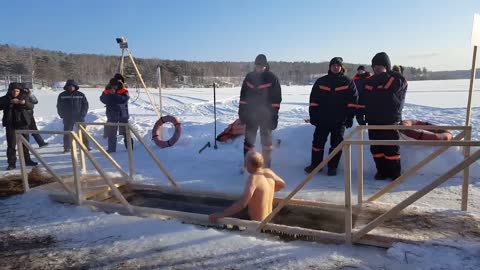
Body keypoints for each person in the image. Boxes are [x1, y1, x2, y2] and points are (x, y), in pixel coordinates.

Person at [356, 52, 408, 180]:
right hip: (373, 120)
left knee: (391, 148)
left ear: (387, 66)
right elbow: (363, 99)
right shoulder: (369, 81)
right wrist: (359, 114)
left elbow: (387, 95)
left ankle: (395, 173)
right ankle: (382, 171)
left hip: (389, 120)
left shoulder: (396, 79)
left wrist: (392, 74)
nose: (378, 68)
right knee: (376, 148)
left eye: (381, 65)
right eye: (375, 65)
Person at [304, 57, 359, 176]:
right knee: (317, 144)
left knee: (336, 145)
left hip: (339, 120)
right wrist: (313, 116)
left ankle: (332, 168)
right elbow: (314, 100)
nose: (335, 67)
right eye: (333, 65)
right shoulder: (321, 81)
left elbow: (353, 102)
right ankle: (316, 166)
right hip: (322, 120)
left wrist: (350, 117)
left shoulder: (348, 82)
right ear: (330, 67)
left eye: (338, 65)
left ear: (341, 67)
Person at [209, 151, 286, 222]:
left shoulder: (253, 178)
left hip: (257, 225)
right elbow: (282, 184)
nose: (245, 165)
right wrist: (267, 190)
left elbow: (242, 203)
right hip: (269, 221)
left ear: (250, 164)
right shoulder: (269, 172)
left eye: (246, 162)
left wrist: (222, 214)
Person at [238, 54, 282, 169]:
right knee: (249, 141)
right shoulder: (249, 77)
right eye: (257, 65)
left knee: (266, 142)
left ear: (265, 65)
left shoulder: (272, 78)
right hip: (251, 114)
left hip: (266, 116)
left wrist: (274, 116)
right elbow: (243, 98)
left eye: (261, 66)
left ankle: (266, 165)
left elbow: (276, 100)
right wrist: (242, 114)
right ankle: (248, 163)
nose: (259, 68)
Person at [0, 83, 38, 170]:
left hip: (22, 123)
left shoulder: (24, 97)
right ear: (10, 91)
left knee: (25, 143)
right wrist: (9, 102)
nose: (15, 93)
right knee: (11, 145)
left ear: (19, 91)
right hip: (10, 124)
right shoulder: (6, 98)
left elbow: (32, 105)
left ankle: (27, 160)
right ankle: (11, 163)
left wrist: (22, 103)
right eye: (13, 91)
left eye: (17, 91)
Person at [56, 79, 90, 152]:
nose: (71, 87)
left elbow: (85, 105)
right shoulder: (62, 95)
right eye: (69, 86)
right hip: (67, 117)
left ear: (75, 86)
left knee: (82, 132)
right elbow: (59, 106)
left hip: (79, 117)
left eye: (72, 86)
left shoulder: (80, 94)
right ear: (67, 87)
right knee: (67, 132)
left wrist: (82, 114)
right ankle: (67, 147)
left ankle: (85, 146)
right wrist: (62, 115)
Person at [100, 77, 131, 153]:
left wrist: (113, 95)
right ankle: (111, 149)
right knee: (111, 133)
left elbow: (124, 99)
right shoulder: (107, 91)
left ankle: (130, 148)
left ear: (118, 85)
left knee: (126, 133)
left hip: (122, 114)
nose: (114, 87)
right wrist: (110, 94)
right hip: (111, 114)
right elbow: (102, 99)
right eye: (112, 85)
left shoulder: (124, 90)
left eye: (115, 85)